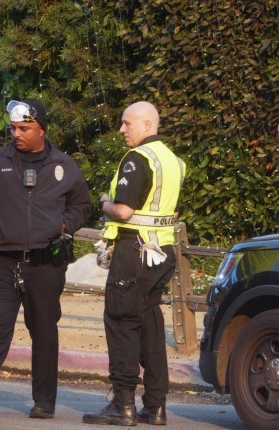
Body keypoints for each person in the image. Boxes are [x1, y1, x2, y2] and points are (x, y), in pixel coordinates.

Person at [0, 98, 92, 420]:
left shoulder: (65, 166)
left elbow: (82, 204)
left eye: (24, 128)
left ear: (42, 129)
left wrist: (65, 225)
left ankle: (44, 401)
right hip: (0, 260)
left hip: (45, 262)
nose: (17, 134)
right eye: (14, 128)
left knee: (43, 330)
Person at [83, 101, 185, 426]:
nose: (121, 130)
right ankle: (156, 406)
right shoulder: (174, 161)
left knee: (121, 320)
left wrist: (104, 203)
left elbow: (124, 211)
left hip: (135, 251)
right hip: (163, 251)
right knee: (151, 326)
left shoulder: (137, 158)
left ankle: (122, 404)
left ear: (146, 124)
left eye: (127, 123)